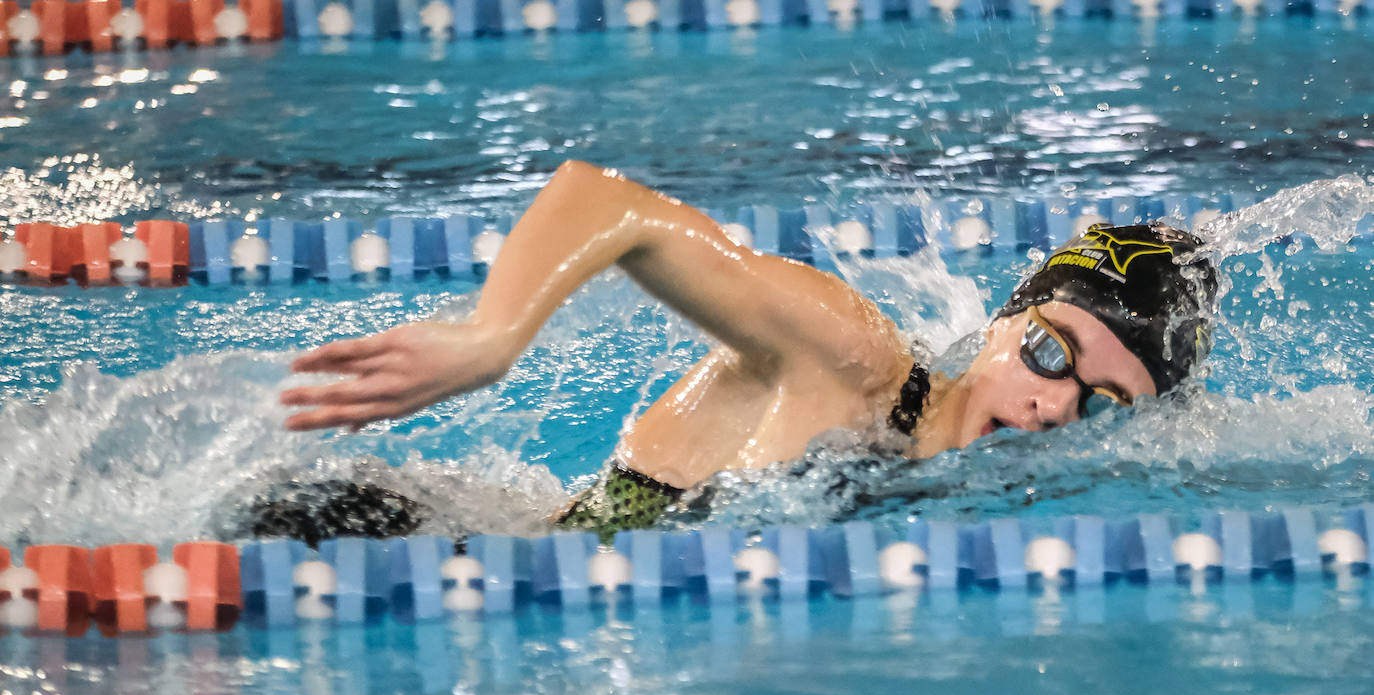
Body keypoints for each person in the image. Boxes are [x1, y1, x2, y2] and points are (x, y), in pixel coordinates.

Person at [272, 161, 1218, 542]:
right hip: (380, 541)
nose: (1056, 407)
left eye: (1100, 403)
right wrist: (492, 338)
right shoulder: (854, 360)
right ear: (1010, 321)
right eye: (1054, 357)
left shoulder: (959, 494)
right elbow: (608, 202)